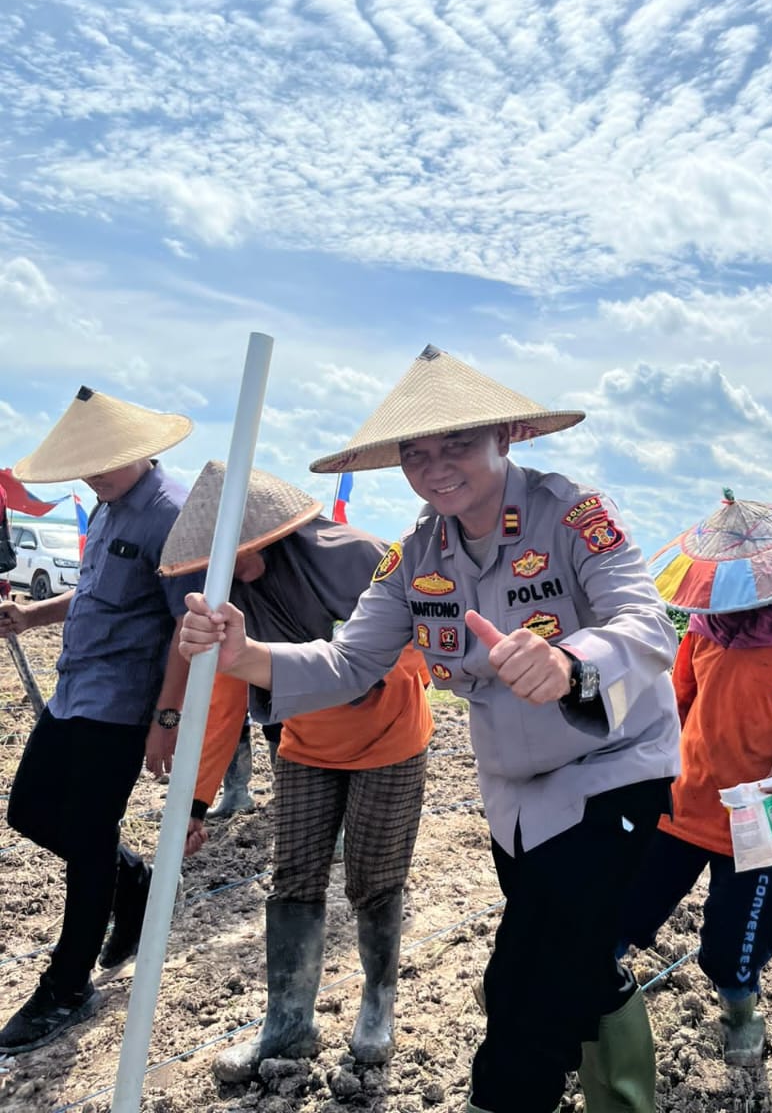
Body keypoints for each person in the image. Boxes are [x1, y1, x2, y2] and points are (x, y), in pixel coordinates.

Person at [179, 344, 682, 1113]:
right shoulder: (415, 557)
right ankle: (626, 1095)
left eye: (457, 445)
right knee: (568, 955)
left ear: (505, 438)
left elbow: (647, 622)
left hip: (614, 767)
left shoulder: (575, 513)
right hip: (515, 795)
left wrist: (572, 662)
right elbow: (350, 663)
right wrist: (245, 656)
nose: (436, 466)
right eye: (417, 453)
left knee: (521, 983)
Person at [159, 462, 434, 1078]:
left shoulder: (360, 555)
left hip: (389, 739)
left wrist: (376, 674)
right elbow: (227, 697)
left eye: (244, 549)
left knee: (374, 877)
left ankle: (376, 1008)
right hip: (306, 745)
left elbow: (423, 642)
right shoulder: (228, 599)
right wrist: (195, 803)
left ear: (274, 530)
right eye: (219, 556)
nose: (235, 563)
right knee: (293, 879)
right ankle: (287, 1023)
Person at [619, 490, 772, 1064]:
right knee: (626, 908)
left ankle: (740, 1008)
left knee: (737, 938)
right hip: (683, 803)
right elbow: (678, 706)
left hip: (762, 813)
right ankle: (595, 996)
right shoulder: (703, 631)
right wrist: (647, 765)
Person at [0, 387, 196, 1055]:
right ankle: (131, 879)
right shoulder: (108, 509)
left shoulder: (169, 515)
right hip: (74, 690)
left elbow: (184, 628)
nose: (93, 474)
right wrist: (32, 614)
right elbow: (93, 597)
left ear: (142, 448)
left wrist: (166, 718)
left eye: (104, 461)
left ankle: (67, 986)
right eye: (83, 464)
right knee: (27, 810)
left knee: (87, 841)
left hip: (123, 705)